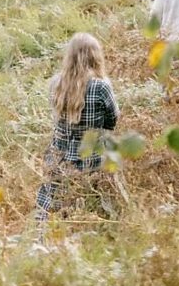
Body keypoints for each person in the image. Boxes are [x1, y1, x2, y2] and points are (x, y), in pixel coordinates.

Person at [36, 33, 119, 220]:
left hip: (59, 157)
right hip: (92, 159)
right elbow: (113, 119)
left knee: (56, 210)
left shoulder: (56, 83)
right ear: (95, 56)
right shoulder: (101, 86)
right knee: (94, 209)